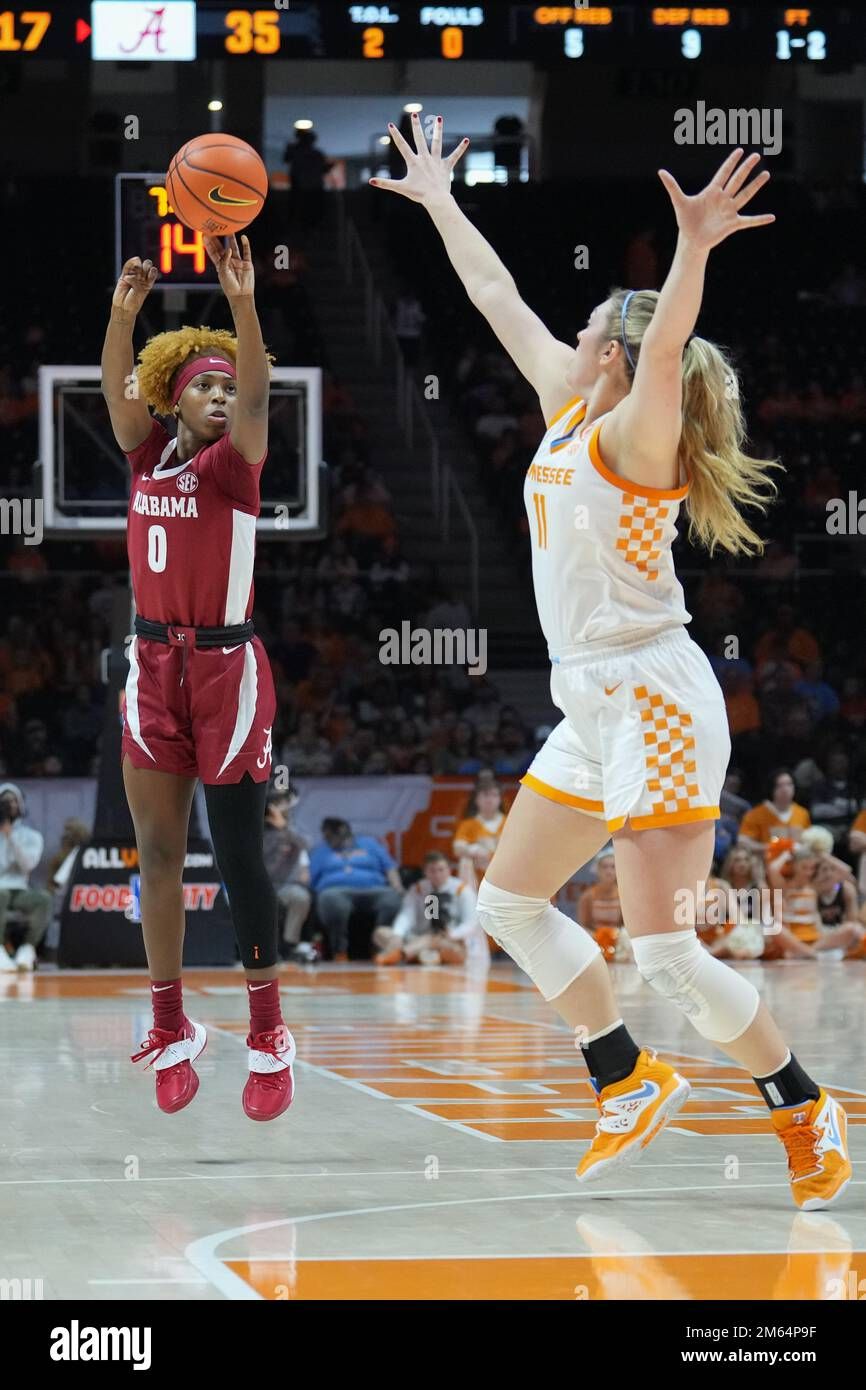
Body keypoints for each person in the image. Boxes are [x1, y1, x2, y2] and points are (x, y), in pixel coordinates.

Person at [372, 126, 851, 1208]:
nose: (570, 335)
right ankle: (623, 1072)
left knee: (665, 952)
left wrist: (688, 253)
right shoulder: (564, 408)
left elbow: (670, 340)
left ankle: (800, 1104)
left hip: (655, 695)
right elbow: (495, 297)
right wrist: (439, 203)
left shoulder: (637, 435)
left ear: (614, 357)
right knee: (507, 902)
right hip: (589, 700)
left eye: (589, 328)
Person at [101, 238, 295, 1121]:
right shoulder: (147, 458)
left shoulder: (235, 467)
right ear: (174, 394)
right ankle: (172, 1024)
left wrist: (245, 308)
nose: (222, 397)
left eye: (228, 387)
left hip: (225, 666)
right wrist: (122, 316)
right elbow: (115, 390)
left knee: (239, 852)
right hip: (152, 663)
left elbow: (259, 392)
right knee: (163, 855)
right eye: (206, 386)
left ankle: (267, 1032)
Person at [310, 818, 403, 961]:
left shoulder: (369, 844)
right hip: (336, 891)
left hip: (374, 889)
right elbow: (311, 877)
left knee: (391, 899)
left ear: (343, 832)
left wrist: (397, 886)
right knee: (332, 901)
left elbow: (389, 867)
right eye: (325, 836)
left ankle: (380, 946)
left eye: (330, 835)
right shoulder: (321, 851)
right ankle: (339, 951)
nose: (327, 839)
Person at [374, 851, 484, 966]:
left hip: (450, 940)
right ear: (425, 872)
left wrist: (452, 934)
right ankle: (421, 954)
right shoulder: (417, 889)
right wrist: (398, 934)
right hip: (418, 937)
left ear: (449, 870)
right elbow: (407, 915)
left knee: (432, 939)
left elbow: (471, 923)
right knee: (380, 933)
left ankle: (402, 954)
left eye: (441, 870)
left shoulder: (462, 890)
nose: (437, 875)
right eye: (432, 870)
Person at [0, 783, 53, 972]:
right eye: (4, 802)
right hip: (1, 890)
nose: (9, 805)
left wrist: (10, 837)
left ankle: (27, 948)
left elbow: (27, 865)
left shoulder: (31, 836)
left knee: (43, 899)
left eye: (13, 801)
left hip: (20, 889)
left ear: (21, 804)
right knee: (2, 894)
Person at [262, 784, 314, 962]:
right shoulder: (255, 826)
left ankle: (289, 944)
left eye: (282, 803)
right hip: (259, 884)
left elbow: (307, 844)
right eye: (274, 803)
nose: (278, 808)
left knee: (300, 897)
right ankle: (250, 946)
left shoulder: (292, 827)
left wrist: (284, 827)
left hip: (285, 885)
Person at [738, 769, 811, 851]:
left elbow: (808, 841)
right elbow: (743, 842)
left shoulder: (803, 813)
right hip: (766, 861)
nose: (785, 789)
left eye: (789, 784)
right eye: (779, 786)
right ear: (771, 788)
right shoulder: (754, 814)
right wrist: (770, 848)